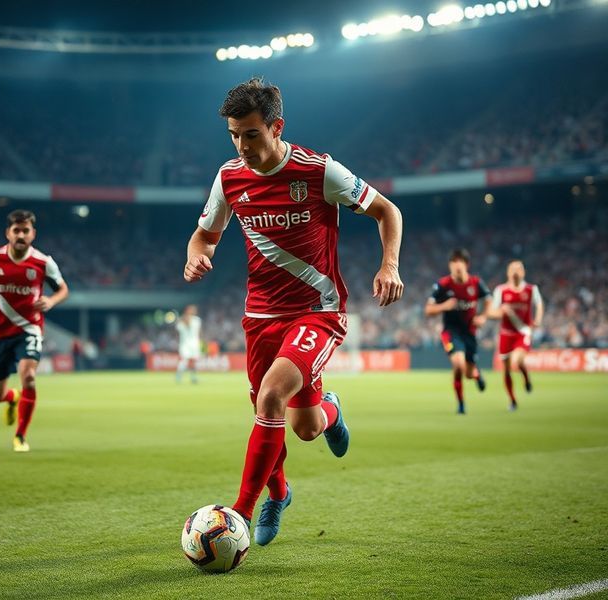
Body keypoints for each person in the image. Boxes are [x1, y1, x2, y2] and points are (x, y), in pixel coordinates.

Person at [183, 78, 403, 546]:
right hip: (259, 318)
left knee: (269, 398)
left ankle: (238, 515)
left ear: (276, 126)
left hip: (317, 311)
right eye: (234, 136)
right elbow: (204, 234)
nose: (242, 146)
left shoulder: (319, 171)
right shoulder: (229, 178)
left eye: (251, 134)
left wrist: (389, 265)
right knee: (300, 427)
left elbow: (388, 211)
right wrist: (195, 255)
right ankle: (285, 484)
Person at [0, 209, 69, 452]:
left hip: (30, 329)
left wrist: (51, 301)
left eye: (26, 230)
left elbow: (63, 289)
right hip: (0, 334)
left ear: (33, 234)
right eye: (16, 230)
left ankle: (20, 436)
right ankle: (13, 398)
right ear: (8, 233)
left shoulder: (43, 262)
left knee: (29, 377)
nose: (21, 235)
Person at [425, 248, 491, 414]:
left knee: (468, 373)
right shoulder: (443, 285)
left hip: (470, 333)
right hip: (450, 332)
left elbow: (488, 300)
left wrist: (483, 316)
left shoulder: (476, 283)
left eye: (459, 262)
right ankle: (461, 404)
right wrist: (444, 306)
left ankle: (476, 375)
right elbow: (428, 310)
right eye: (453, 262)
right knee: (458, 364)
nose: (456, 266)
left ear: (466, 264)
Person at [488, 260, 543, 410]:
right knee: (505, 369)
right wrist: (502, 311)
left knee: (517, 360)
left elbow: (539, 304)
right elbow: (491, 312)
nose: (516, 271)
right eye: (512, 269)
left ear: (524, 272)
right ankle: (512, 400)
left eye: (519, 268)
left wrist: (537, 320)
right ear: (508, 272)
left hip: (522, 331)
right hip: (505, 334)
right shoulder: (501, 290)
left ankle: (525, 377)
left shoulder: (531, 289)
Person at [175, 305, 202, 384]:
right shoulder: (181, 321)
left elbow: (197, 330)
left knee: (194, 361)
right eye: (191, 309)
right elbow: (178, 330)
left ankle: (193, 377)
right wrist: (183, 319)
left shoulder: (197, 320)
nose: (193, 311)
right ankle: (178, 376)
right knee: (184, 360)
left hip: (194, 343)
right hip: (185, 344)